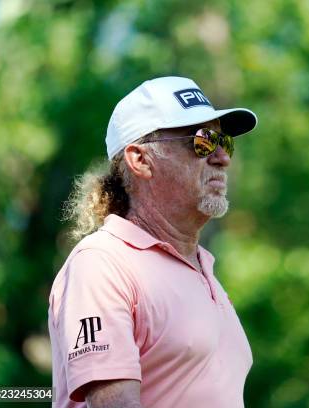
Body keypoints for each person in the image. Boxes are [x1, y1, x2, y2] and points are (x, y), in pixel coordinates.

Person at [48, 76, 258, 407]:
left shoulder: (203, 267)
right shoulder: (102, 264)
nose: (222, 157)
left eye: (225, 142)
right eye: (203, 142)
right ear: (141, 160)